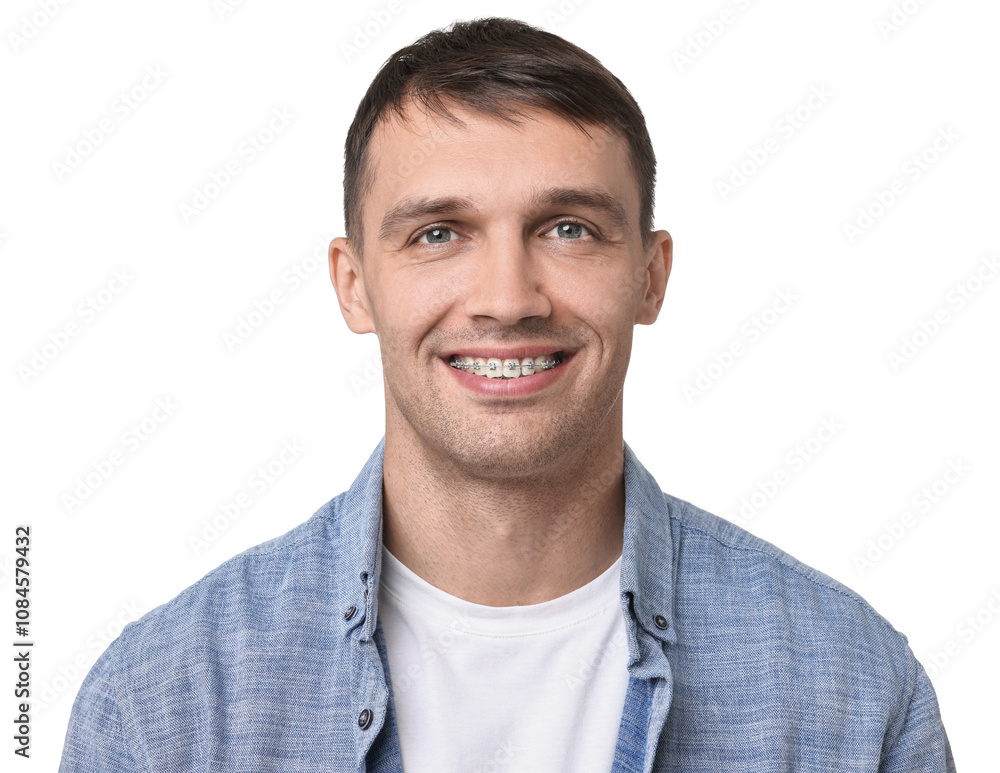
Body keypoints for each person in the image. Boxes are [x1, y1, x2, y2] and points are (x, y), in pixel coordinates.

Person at [60, 17, 955, 772]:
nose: (508, 297)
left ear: (651, 276)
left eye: (568, 228)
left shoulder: (851, 691)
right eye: (439, 232)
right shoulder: (161, 710)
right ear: (353, 284)